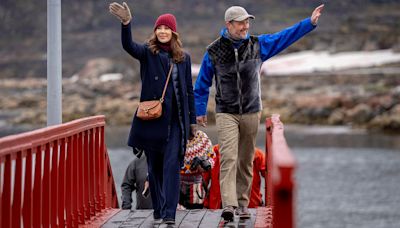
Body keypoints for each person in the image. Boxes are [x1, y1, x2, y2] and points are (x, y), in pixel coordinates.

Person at [194, 5, 324, 221]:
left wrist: (309, 24)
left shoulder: (258, 45)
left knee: (245, 159)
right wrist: (199, 111)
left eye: (247, 22)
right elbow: (202, 84)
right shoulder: (213, 51)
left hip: (252, 111)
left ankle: (243, 204)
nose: (246, 26)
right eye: (241, 22)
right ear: (229, 24)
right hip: (226, 112)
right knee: (228, 157)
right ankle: (229, 205)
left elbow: (284, 37)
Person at [109, 2, 196, 225]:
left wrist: (192, 122)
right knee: (154, 168)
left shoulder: (183, 58)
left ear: (173, 32)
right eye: (159, 28)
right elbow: (128, 46)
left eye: (167, 28)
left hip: (176, 123)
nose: (163, 31)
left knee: (172, 167)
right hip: (153, 121)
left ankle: (169, 214)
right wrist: (126, 23)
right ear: (155, 32)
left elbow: (188, 91)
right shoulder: (148, 53)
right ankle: (158, 209)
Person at [202, 145, 266, 209]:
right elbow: (203, 179)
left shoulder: (256, 154)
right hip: (220, 206)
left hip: (249, 206)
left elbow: (269, 175)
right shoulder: (213, 153)